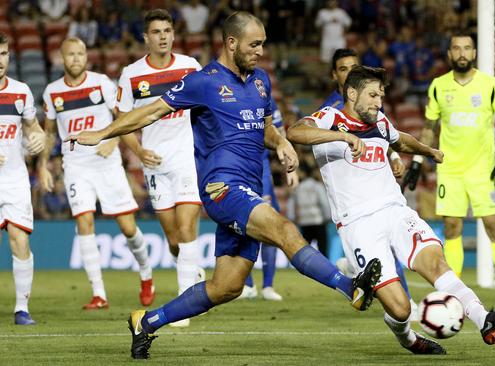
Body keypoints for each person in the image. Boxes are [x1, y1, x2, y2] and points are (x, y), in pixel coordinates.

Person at [66, 12, 382, 360]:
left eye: (262, 43)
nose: (261, 51)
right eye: (254, 44)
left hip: (247, 189)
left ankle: (147, 321)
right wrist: (102, 133)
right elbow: (150, 112)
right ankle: (350, 286)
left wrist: (280, 143)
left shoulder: (260, 81)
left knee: (226, 287)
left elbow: (265, 127)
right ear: (231, 43)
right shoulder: (203, 81)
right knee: (284, 229)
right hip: (222, 189)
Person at [287, 65, 495, 355]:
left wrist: (428, 151)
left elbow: (400, 138)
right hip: (358, 224)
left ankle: (484, 320)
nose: (378, 102)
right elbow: (295, 131)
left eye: (381, 96)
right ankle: (409, 338)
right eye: (372, 95)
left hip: (396, 211)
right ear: (351, 93)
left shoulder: (380, 121)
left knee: (436, 263)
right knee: (399, 309)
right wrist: (342, 137)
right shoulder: (331, 118)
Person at [38, 37, 154, 310]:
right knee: (84, 222)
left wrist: (113, 141)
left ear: (86, 56)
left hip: (107, 163)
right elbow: (49, 132)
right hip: (76, 165)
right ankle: (99, 294)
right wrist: (43, 164)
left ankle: (146, 275)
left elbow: (122, 116)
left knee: (128, 228)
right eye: (71, 54)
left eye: (80, 53)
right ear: (61, 58)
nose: (76, 58)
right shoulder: (52, 92)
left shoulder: (102, 83)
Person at [402, 33, 495, 301]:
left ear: (474, 53)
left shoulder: (490, 85)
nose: (462, 53)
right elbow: (430, 126)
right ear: (450, 55)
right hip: (450, 170)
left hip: (482, 170)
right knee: (452, 227)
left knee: (494, 226)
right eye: (457, 48)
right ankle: (454, 290)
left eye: (467, 48)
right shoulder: (438, 86)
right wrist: (418, 161)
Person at [116, 9, 203, 326]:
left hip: (185, 159)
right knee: (174, 240)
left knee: (187, 229)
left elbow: (206, 108)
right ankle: (191, 268)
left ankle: (185, 306)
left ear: (173, 34)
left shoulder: (190, 68)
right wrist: (138, 150)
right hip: (154, 165)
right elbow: (122, 122)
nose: (163, 36)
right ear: (146, 37)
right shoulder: (131, 74)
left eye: (167, 30)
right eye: (156, 31)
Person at [322, 48, 419, 319]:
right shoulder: (330, 111)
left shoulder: (370, 100)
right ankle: (359, 272)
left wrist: (395, 155)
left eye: (354, 67)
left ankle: (367, 276)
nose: (350, 72)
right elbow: (314, 139)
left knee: (390, 243)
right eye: (343, 68)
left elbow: (382, 133)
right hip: (350, 195)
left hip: (377, 187)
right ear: (334, 75)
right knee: (382, 246)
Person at [0, 32, 46, 325]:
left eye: (3, 54)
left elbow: (33, 128)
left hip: (15, 179)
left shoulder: (21, 91)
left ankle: (21, 309)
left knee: (19, 241)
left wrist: (38, 140)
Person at [240, 99, 296, 301]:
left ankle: (268, 286)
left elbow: (279, 132)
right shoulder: (225, 92)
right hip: (234, 166)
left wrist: (290, 166)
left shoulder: (265, 99)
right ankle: (246, 285)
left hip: (260, 170)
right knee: (239, 224)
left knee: (269, 223)